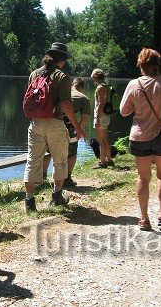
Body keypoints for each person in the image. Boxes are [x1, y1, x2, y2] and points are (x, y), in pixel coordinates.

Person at [119, 48, 161, 231]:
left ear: (141, 66)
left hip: (140, 136)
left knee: (143, 177)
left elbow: (124, 112)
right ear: (157, 64)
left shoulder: (134, 84)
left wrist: (139, 107)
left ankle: (144, 219)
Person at [24, 43, 87, 212]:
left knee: (33, 160)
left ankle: (29, 202)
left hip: (35, 123)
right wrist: (76, 126)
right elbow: (65, 104)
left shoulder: (34, 74)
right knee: (60, 161)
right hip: (55, 123)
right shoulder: (62, 76)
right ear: (63, 60)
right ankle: (57, 196)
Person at [42, 77, 91, 187]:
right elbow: (84, 118)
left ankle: (42, 177)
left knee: (48, 152)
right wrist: (78, 132)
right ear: (82, 87)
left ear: (73, 84)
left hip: (52, 127)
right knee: (71, 154)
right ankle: (67, 179)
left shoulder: (60, 93)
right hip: (70, 130)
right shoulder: (83, 98)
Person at [91, 68, 113, 167]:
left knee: (101, 140)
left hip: (101, 116)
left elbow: (101, 104)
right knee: (104, 139)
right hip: (106, 115)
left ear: (95, 77)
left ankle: (102, 162)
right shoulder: (107, 86)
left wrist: (97, 118)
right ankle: (109, 159)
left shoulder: (100, 88)